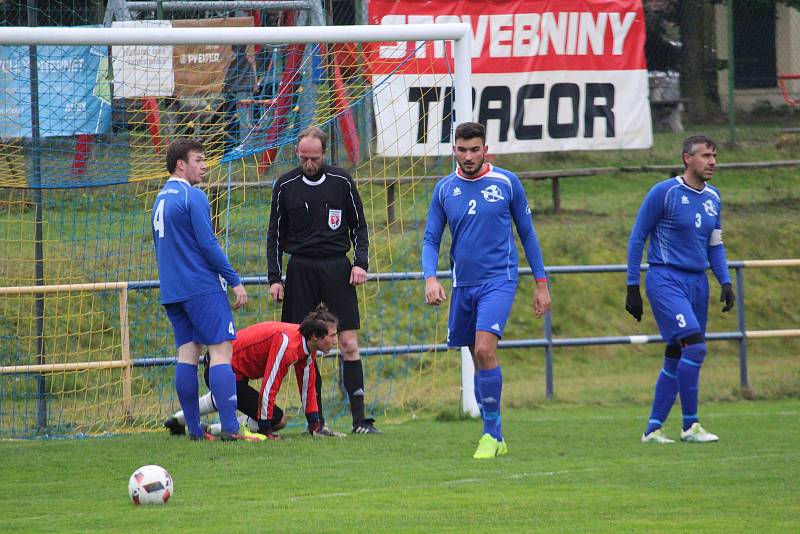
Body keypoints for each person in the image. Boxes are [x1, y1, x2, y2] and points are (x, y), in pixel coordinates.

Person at [422, 121, 551, 459]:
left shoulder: (507, 183)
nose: (468, 156)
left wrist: (541, 284)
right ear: (454, 151)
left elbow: (528, 234)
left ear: (485, 149)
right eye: (462, 150)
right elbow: (431, 238)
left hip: (499, 280)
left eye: (474, 149)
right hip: (463, 284)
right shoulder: (444, 189)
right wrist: (430, 278)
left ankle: (490, 435)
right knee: (477, 359)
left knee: (484, 349)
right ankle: (497, 434)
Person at [266, 126, 380, 435]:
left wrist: (360, 263)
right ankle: (316, 423)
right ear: (297, 153)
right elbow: (274, 234)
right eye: (303, 157)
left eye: (314, 158)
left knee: (348, 342)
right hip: (300, 269)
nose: (308, 163)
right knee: (303, 348)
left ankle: (360, 421)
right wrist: (275, 278)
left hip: (336, 269)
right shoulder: (284, 185)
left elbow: (360, 226)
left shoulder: (341, 181)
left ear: (323, 154)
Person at [626, 134, 734, 444]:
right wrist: (632, 285)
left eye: (714, 156)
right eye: (705, 155)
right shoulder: (665, 192)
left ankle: (653, 428)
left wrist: (724, 280)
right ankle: (690, 425)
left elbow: (715, 245)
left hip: (697, 283)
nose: (712, 161)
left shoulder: (713, 197)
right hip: (666, 279)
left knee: (677, 352)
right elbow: (637, 238)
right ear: (688, 158)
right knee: (696, 347)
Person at [152, 138, 248, 441]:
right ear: (181, 164)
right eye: (198, 160)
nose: (204, 166)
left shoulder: (159, 200)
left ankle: (194, 430)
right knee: (221, 351)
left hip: (173, 291)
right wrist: (234, 280)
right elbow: (208, 243)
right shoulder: (192, 196)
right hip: (202, 288)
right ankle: (231, 429)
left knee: (188, 353)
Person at [164, 305, 343, 440]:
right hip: (220, 369)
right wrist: (266, 430)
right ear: (315, 336)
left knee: (253, 407)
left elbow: (308, 385)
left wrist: (315, 425)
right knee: (278, 420)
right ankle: (213, 428)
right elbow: (270, 385)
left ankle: (180, 420)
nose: (335, 341)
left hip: (233, 374)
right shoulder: (286, 344)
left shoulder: (306, 346)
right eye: (332, 335)